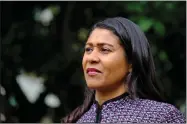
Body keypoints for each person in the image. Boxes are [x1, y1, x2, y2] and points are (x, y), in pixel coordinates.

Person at [62, 17, 186, 123]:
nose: (92, 58)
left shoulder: (161, 117)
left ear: (131, 62)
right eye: (88, 49)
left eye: (105, 49)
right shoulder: (78, 120)